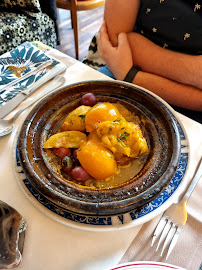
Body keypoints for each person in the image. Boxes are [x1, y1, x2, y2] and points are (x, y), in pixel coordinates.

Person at [97, 0, 202, 121]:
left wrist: (131, 76)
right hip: (121, 67)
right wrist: (193, 70)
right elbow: (117, 42)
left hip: (126, 68)